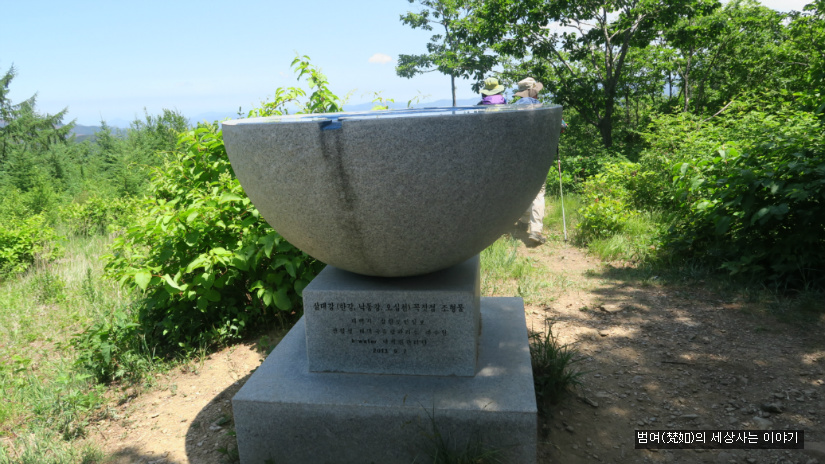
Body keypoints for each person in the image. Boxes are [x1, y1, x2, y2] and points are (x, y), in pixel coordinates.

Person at [513, 77, 550, 246]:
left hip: (518, 157)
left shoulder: (512, 109)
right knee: (538, 191)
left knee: (524, 189)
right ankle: (536, 230)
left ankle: (523, 221)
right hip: (538, 156)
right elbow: (560, 125)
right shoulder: (543, 109)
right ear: (533, 92)